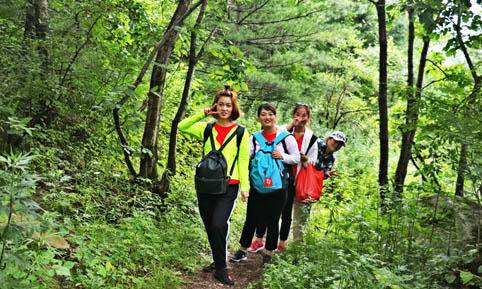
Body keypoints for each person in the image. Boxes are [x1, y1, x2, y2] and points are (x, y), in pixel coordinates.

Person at [178, 85, 250, 286]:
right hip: (206, 185)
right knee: (211, 226)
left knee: (219, 224)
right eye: (221, 104)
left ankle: (221, 269)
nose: (225, 108)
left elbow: (244, 161)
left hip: (229, 185)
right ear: (215, 106)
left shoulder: (240, 132)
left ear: (233, 107)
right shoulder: (207, 128)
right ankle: (218, 260)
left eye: (228, 105)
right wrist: (203, 114)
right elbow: (182, 126)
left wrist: (245, 187)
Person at [230, 103, 300, 264]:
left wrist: (282, 156)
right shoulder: (254, 138)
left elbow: (296, 158)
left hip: (279, 186)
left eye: (270, 114)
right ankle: (242, 250)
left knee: (273, 220)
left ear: (275, 116)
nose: (267, 117)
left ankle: (268, 252)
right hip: (257, 185)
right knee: (251, 218)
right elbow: (246, 158)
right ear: (258, 118)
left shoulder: (286, 138)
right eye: (263, 114)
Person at [248, 103, 318, 253]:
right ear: (293, 116)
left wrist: (303, 158)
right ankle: (260, 238)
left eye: (304, 115)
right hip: (278, 176)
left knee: (286, 213)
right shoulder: (283, 130)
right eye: (297, 114)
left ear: (308, 118)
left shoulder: (312, 139)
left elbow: (313, 161)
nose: (300, 118)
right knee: (269, 209)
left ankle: (282, 242)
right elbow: (270, 137)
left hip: (298, 177)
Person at [291, 130, 347, 241]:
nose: (336, 145)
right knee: (285, 212)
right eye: (335, 141)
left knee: (302, 217)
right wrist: (308, 161)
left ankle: (298, 245)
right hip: (296, 180)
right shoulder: (315, 144)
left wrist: (326, 173)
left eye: (339, 144)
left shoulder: (331, 158)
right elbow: (301, 155)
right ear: (329, 139)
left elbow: (322, 173)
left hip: (309, 190)